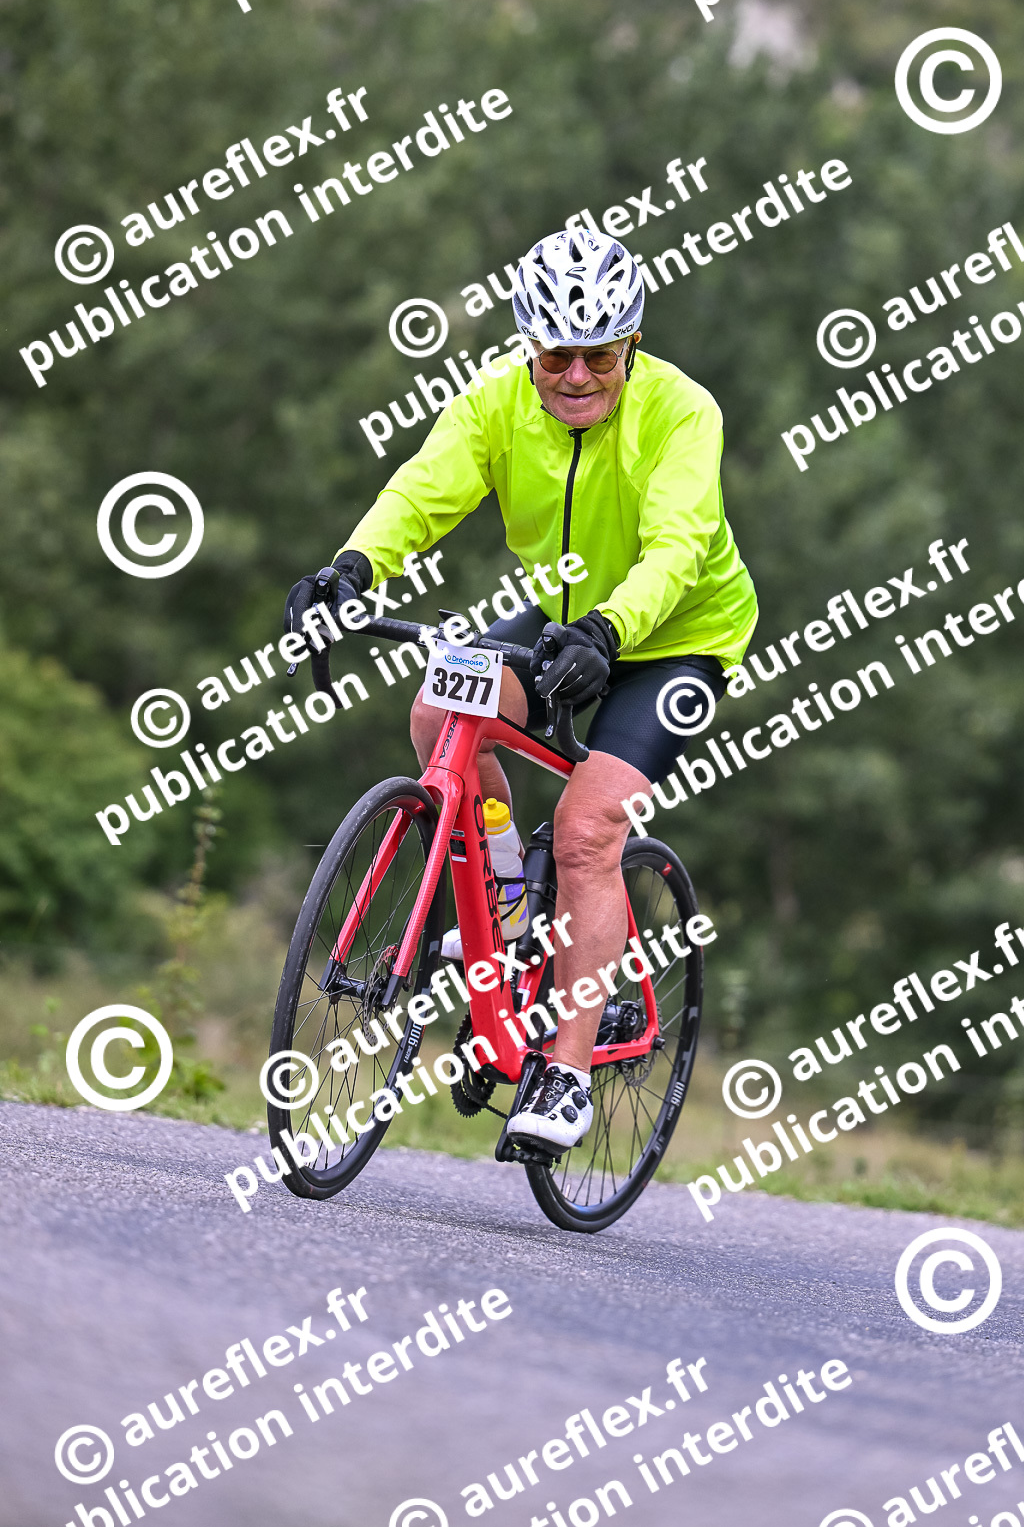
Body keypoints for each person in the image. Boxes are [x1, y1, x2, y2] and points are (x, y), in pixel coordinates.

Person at [285, 228, 757, 1153]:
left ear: (632, 345)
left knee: (586, 833)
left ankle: (567, 1075)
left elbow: (677, 548)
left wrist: (611, 633)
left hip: (679, 637)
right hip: (565, 613)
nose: (577, 376)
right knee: (440, 711)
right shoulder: (495, 402)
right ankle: (501, 916)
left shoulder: (681, 411)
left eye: (600, 357)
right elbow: (421, 493)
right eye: (555, 356)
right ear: (528, 345)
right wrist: (351, 569)